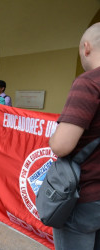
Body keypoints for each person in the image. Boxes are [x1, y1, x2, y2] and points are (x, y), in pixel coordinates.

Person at [49, 22, 100, 250]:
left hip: (85, 198)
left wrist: (53, 137)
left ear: (86, 48)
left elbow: (61, 145)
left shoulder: (88, 82)